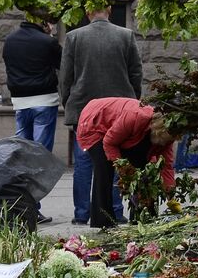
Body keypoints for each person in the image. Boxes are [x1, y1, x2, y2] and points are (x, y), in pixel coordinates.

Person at [59, 7, 145, 225]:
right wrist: (133, 100)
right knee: (116, 159)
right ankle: (114, 210)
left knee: (84, 162)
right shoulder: (125, 35)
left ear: (87, 13)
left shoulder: (73, 37)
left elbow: (66, 76)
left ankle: (82, 213)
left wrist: (68, 102)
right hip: (120, 109)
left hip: (84, 110)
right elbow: (136, 72)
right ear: (109, 10)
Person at [74, 96, 176, 228]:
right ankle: (103, 221)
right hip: (96, 123)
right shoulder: (136, 117)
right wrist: (124, 170)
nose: (163, 144)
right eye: (161, 140)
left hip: (122, 130)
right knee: (105, 169)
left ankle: (142, 218)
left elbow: (166, 166)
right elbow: (109, 143)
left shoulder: (168, 136)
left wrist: (171, 197)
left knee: (144, 172)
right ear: (156, 131)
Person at [3, 15, 63, 151]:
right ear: (42, 22)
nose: (52, 27)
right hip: (45, 99)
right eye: (50, 23)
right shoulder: (47, 41)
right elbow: (63, 63)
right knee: (41, 150)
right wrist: (51, 39)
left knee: (23, 148)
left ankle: (25, 173)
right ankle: (40, 173)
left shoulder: (9, 40)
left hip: (19, 100)